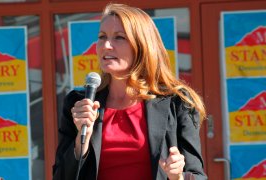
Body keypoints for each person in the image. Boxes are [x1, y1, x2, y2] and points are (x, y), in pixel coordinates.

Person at [53, 3, 207, 180]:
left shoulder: (177, 101)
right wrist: (82, 142)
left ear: (142, 45)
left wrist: (177, 176)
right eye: (102, 37)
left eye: (119, 37)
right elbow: (60, 176)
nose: (106, 45)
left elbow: (197, 175)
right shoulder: (79, 103)